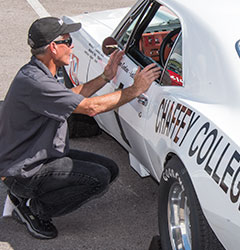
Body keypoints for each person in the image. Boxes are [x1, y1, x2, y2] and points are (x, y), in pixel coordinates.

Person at [0, 17, 161, 239]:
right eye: (67, 40)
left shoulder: (38, 72)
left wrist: (105, 76)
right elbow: (91, 108)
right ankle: (33, 209)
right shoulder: (36, 82)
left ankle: (27, 195)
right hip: (23, 170)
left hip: (37, 157)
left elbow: (70, 98)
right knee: (98, 178)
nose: (72, 45)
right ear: (53, 47)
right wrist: (135, 89)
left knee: (110, 169)